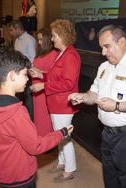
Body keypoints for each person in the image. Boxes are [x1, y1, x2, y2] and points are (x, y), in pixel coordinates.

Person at [68, 24, 126, 188]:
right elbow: (94, 93)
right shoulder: (104, 67)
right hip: (108, 135)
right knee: (110, 179)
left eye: (107, 46)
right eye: (101, 48)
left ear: (122, 42)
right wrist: (83, 97)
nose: (103, 52)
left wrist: (117, 105)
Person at [0, 47, 74, 188]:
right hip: (21, 176)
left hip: (2, 174)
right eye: (25, 74)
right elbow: (36, 146)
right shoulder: (18, 112)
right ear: (13, 75)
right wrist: (61, 133)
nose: (27, 79)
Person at [30, 19, 81, 182]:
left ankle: (70, 168)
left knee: (64, 137)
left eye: (53, 36)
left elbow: (68, 83)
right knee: (59, 135)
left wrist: (44, 85)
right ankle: (62, 162)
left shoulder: (71, 55)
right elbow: (56, 76)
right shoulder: (62, 53)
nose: (51, 39)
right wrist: (41, 75)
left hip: (63, 105)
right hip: (56, 104)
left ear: (63, 35)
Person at [30, 28, 58, 136]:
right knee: (38, 115)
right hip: (36, 90)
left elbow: (53, 76)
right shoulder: (41, 53)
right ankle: (41, 137)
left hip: (44, 90)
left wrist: (39, 71)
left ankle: (46, 139)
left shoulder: (54, 54)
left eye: (41, 39)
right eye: (38, 39)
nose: (39, 42)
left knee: (44, 116)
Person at [9, 20, 36, 120]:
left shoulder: (30, 40)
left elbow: (33, 60)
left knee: (29, 101)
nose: (10, 33)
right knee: (18, 100)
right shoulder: (16, 41)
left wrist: (26, 72)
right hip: (17, 75)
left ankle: (30, 123)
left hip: (28, 76)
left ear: (18, 29)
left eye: (12, 30)